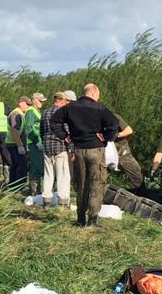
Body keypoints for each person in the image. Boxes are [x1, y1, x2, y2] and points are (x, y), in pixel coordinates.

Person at [51, 83, 119, 227]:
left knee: (81, 184)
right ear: (94, 93)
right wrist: (106, 137)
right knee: (96, 184)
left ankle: (80, 219)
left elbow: (54, 121)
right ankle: (92, 219)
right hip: (95, 149)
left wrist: (65, 136)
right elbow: (114, 123)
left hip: (79, 150)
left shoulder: (69, 107)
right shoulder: (100, 108)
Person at [40, 92, 71, 208]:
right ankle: (63, 202)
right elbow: (67, 131)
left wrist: (44, 141)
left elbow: (41, 130)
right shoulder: (63, 112)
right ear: (62, 101)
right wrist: (72, 149)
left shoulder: (45, 112)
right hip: (60, 146)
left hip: (47, 146)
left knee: (48, 174)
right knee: (62, 175)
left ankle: (46, 201)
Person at [111, 112, 142, 191]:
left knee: (136, 173)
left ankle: (142, 192)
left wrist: (116, 135)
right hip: (107, 152)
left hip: (121, 151)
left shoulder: (113, 116)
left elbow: (129, 130)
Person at [6, 96, 31, 189]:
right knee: (21, 165)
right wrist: (20, 145)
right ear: (21, 103)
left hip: (14, 143)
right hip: (14, 144)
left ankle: (13, 185)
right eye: (27, 104)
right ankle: (19, 186)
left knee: (15, 165)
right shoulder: (16, 114)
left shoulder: (20, 114)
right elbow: (14, 130)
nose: (28, 106)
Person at [24, 93, 46, 195]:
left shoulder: (37, 111)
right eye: (40, 101)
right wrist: (37, 142)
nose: (42, 103)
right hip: (34, 143)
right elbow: (28, 128)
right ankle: (34, 192)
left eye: (42, 101)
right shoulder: (31, 111)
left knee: (39, 166)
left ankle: (37, 191)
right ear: (34, 101)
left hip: (38, 142)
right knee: (36, 166)